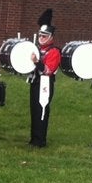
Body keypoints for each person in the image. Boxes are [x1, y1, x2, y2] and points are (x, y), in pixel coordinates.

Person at [28, 9, 62, 148]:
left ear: (51, 36)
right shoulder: (37, 49)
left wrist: (37, 62)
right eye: (40, 35)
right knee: (34, 109)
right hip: (35, 81)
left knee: (42, 108)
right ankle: (34, 137)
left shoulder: (54, 51)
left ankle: (40, 139)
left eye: (45, 35)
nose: (41, 37)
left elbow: (48, 70)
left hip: (45, 83)